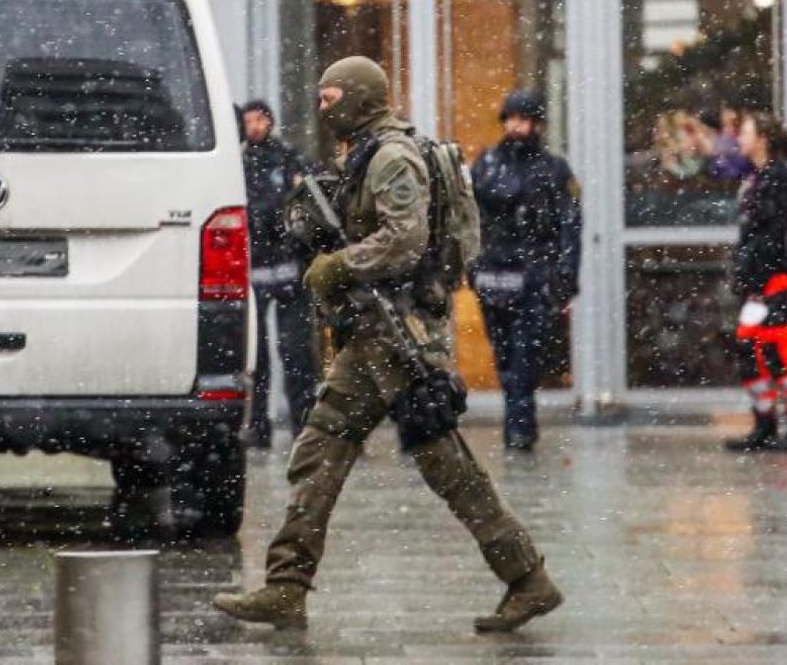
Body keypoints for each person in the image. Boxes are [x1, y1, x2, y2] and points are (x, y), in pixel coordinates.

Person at [213, 56, 562, 633]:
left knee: (441, 463)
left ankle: (527, 578)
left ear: (359, 97)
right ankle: (286, 586)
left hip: (398, 334)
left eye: (331, 98)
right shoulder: (363, 151)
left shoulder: (392, 157)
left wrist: (338, 265)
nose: (323, 109)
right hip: (374, 333)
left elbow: (405, 240)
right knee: (323, 449)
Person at [469, 90, 581, 450]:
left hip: (535, 275)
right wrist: (470, 265)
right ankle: (518, 424)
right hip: (494, 275)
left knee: (526, 356)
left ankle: (519, 428)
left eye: (524, 119)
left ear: (537, 124)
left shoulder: (553, 169)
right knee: (505, 357)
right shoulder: (487, 165)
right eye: (512, 119)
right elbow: (470, 219)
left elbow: (569, 224)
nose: (517, 127)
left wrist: (565, 276)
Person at [724, 113, 787, 452]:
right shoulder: (760, 176)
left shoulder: (776, 178)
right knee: (750, 348)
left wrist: (756, 278)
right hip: (758, 278)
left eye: (746, 133)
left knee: (777, 348)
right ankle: (765, 422)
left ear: (762, 139)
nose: (740, 139)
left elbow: (769, 234)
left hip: (769, 277)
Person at [241, 99, 319, 446]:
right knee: (255, 356)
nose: (254, 127)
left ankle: (303, 424)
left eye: (260, 120)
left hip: (288, 270)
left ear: (270, 122)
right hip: (254, 270)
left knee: (296, 351)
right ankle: (259, 426)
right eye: (249, 121)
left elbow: (307, 201)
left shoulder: (288, 159)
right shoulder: (238, 162)